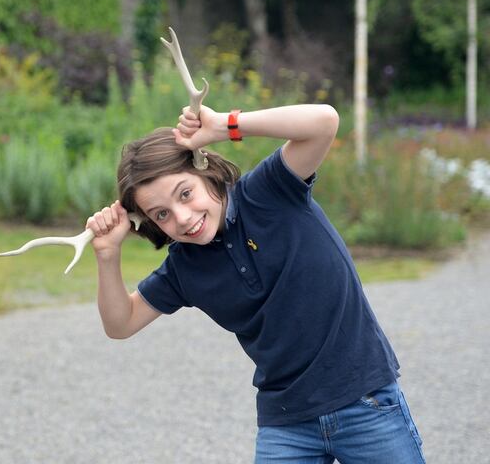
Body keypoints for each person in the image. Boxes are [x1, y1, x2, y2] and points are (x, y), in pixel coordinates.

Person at [86, 103, 425, 463]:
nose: (183, 218)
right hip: (286, 424)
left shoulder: (268, 192)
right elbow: (120, 324)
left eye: (185, 193)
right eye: (162, 215)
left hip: (365, 400)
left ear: (206, 171)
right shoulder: (185, 268)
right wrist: (107, 256)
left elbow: (324, 122)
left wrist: (224, 126)